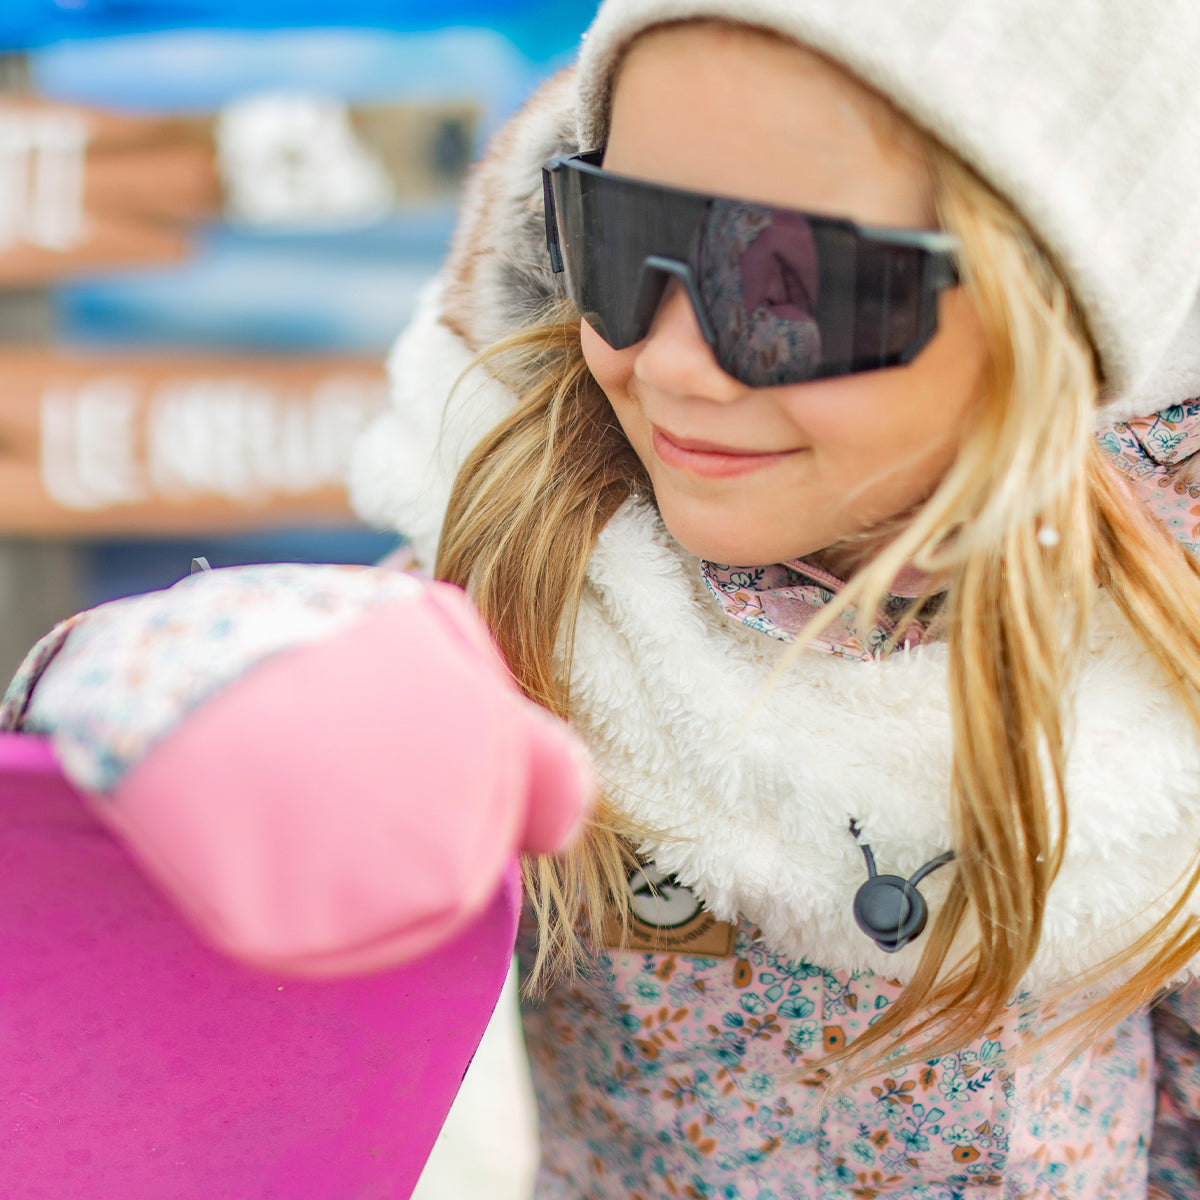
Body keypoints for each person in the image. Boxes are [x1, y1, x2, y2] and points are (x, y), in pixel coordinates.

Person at [9, 1, 1200, 1196]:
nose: (671, 362)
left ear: (1064, 313)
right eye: (620, 238)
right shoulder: (553, 551)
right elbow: (210, 680)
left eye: (795, 283)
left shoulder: (1167, 631)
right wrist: (194, 702)